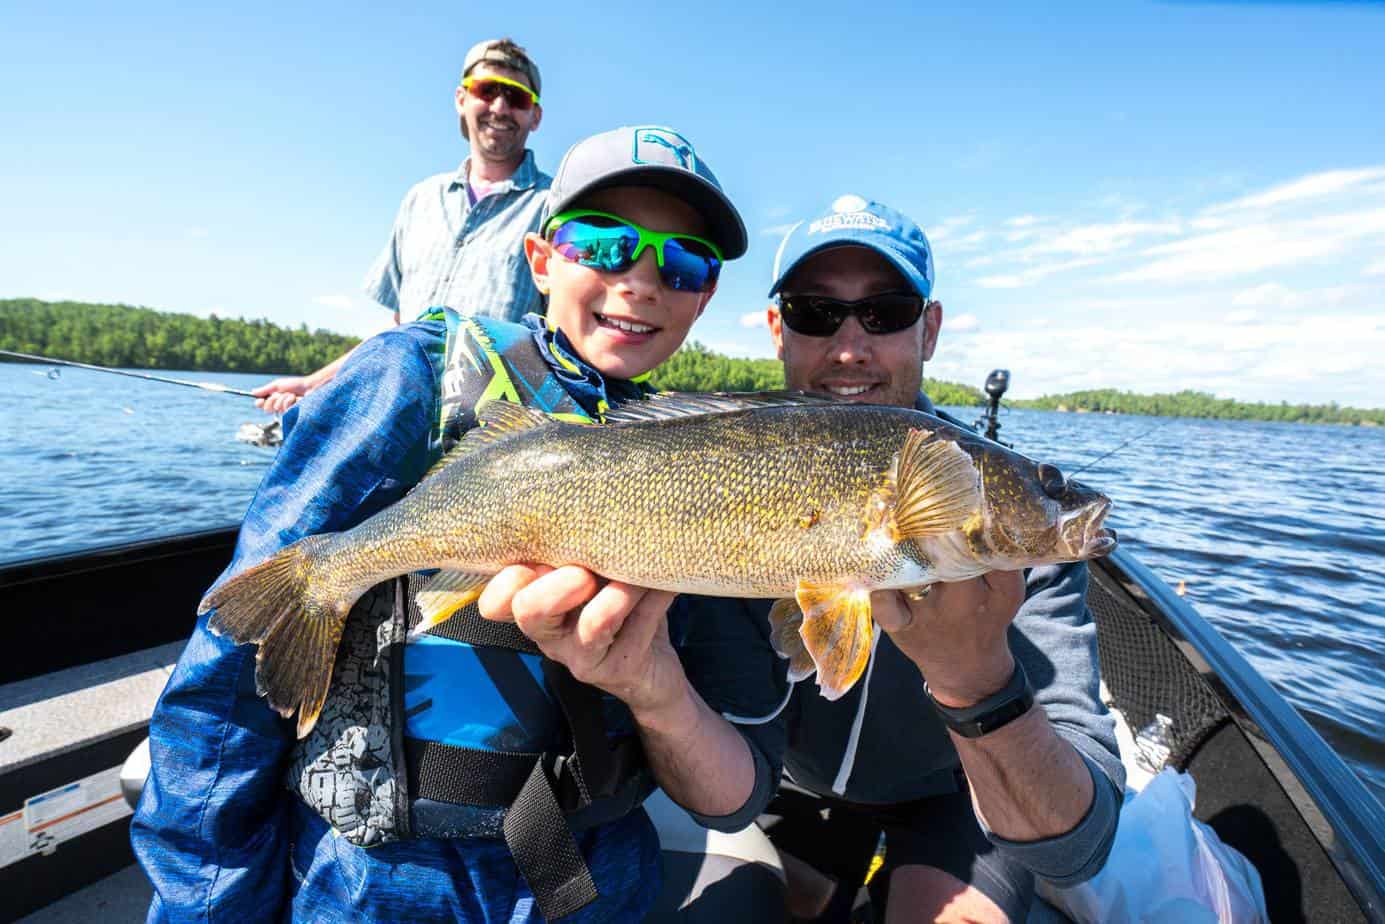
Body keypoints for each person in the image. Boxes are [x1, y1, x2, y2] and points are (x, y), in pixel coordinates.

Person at [132, 126, 788, 924]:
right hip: (380, 873)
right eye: (604, 244)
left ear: (705, 295)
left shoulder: (713, 459)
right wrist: (206, 906)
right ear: (541, 260)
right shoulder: (417, 375)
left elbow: (732, 767)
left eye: (683, 262)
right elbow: (226, 680)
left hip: (589, 869)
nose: (641, 282)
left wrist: (656, 691)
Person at [650, 196, 1125, 924]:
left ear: (927, 329)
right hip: (784, 784)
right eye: (815, 312)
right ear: (777, 328)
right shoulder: (724, 472)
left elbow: (1075, 851)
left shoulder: (1011, 523)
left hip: (952, 799)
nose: (850, 348)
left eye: (885, 312)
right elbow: (727, 773)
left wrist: (979, 683)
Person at [252, 37, 551, 413]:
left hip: (497, 432)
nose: (500, 107)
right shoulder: (420, 200)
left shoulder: (554, 207)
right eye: (487, 90)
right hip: (398, 420)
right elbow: (397, 332)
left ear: (535, 116)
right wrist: (312, 384)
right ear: (461, 98)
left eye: (517, 97)